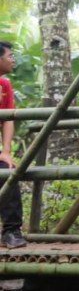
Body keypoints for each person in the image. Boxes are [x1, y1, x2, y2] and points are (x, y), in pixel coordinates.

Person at [0, 41, 27, 249]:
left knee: (7, 171)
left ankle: (11, 231)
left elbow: (8, 119)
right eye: (9, 55)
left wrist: (6, 152)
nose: (12, 59)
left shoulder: (4, 85)